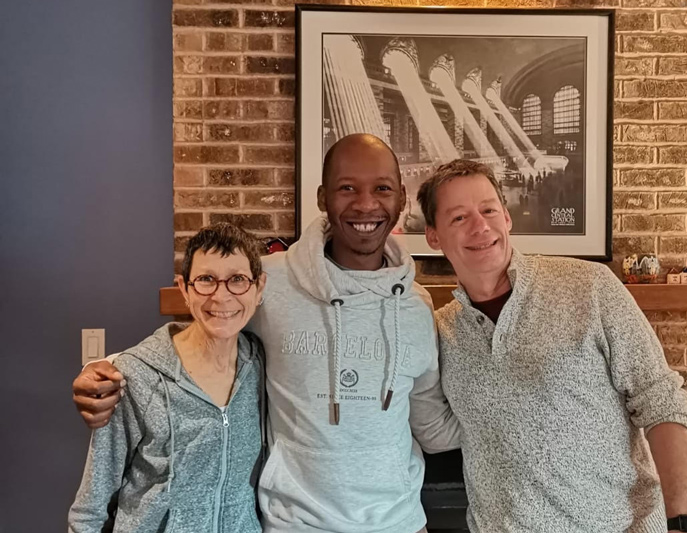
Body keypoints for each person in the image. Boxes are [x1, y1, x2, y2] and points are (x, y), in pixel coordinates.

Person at [72, 134, 460, 533]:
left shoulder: (414, 306)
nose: (365, 204)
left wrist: (508, 415)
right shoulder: (269, 282)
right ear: (322, 197)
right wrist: (109, 368)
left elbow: (430, 423)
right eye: (347, 188)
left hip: (399, 523)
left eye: (382, 188)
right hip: (293, 524)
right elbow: (204, 331)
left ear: (401, 199)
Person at [417, 159, 687, 533]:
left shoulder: (591, 286)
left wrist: (684, 523)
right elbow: (441, 431)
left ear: (506, 217)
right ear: (433, 236)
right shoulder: (441, 332)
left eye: (488, 210)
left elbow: (662, 402)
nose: (480, 226)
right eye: (458, 218)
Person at [69, 223, 267, 532]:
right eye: (205, 280)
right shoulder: (137, 376)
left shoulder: (260, 367)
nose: (221, 296)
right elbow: (90, 505)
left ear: (259, 288)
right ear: (184, 288)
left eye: (238, 280)